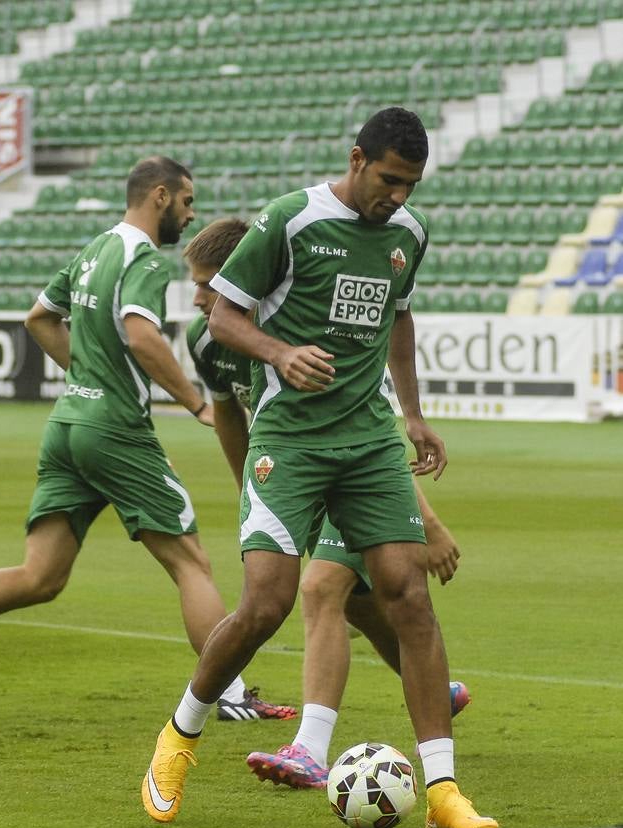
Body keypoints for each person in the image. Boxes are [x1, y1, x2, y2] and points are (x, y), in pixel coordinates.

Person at [142, 109, 499, 828]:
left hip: (367, 440)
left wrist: (414, 413)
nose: (398, 197)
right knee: (266, 604)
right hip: (294, 440)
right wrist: (280, 353)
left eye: (411, 186)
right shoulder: (292, 220)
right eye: (390, 180)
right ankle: (178, 738)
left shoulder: (409, 235)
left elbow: (399, 316)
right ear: (358, 158)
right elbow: (224, 318)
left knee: (408, 598)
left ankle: (442, 791)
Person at [0, 156, 295, 724]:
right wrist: (196, 404)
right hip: (114, 431)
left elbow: (38, 318)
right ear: (160, 196)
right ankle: (227, 695)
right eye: (187, 201)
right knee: (191, 563)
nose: (190, 213)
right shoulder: (144, 258)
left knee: (40, 577)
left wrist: (88, 378)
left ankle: (227, 691)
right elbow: (141, 336)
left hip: (67, 424)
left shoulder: (94, 249)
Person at [184, 216, 469, 788]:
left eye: (209, 284)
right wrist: (258, 493)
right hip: (292, 473)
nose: (197, 298)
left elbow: (373, 437)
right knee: (362, 604)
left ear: (249, 278)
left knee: (321, 588)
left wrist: (431, 526)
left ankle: (310, 747)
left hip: (356, 468)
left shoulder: (317, 333)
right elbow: (228, 418)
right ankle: (437, 691)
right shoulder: (208, 342)